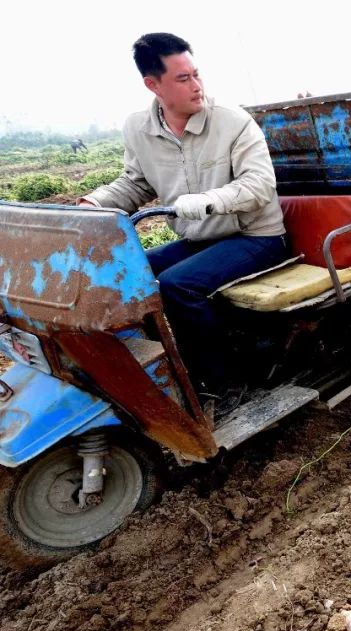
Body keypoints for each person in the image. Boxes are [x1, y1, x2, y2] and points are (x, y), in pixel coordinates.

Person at [78, 32, 287, 396]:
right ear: (152, 84)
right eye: (183, 78)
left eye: (196, 74)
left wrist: (209, 200)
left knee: (178, 285)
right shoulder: (138, 129)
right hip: (200, 238)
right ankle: (169, 369)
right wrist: (92, 205)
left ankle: (226, 385)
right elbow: (135, 183)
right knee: (128, 272)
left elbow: (259, 186)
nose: (196, 85)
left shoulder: (232, 122)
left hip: (257, 237)